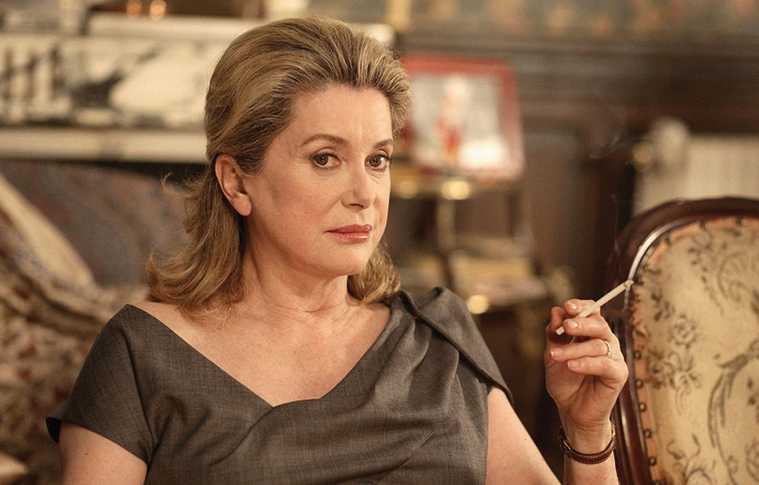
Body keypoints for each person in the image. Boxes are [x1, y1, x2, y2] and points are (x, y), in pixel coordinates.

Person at [46, 17, 628, 484]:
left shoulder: (438, 337)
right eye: (325, 158)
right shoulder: (140, 352)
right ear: (236, 182)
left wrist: (587, 430)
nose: (364, 194)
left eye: (377, 160)